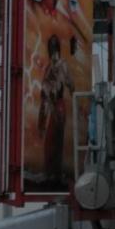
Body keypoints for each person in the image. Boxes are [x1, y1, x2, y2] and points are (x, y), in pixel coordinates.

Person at [38, 33, 73, 186]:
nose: (52, 51)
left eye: (53, 47)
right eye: (51, 48)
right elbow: (45, 93)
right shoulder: (51, 67)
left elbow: (69, 84)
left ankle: (55, 175)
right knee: (51, 141)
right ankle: (52, 174)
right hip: (53, 105)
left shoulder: (59, 65)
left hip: (57, 105)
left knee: (55, 140)